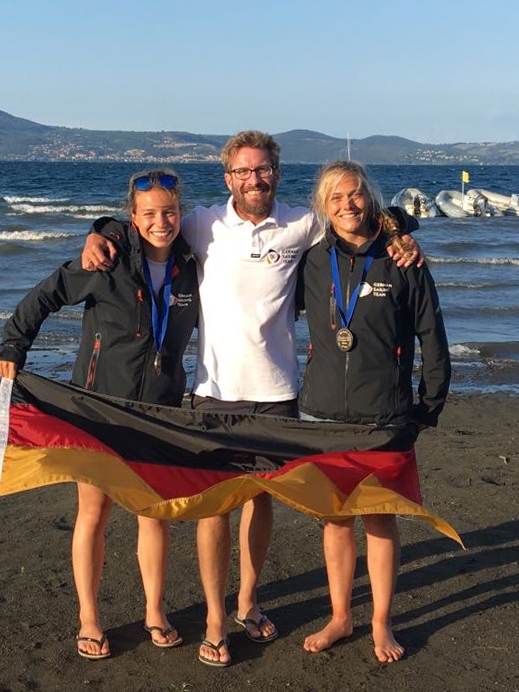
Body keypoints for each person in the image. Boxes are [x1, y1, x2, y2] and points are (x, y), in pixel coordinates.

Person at [81, 131, 421, 667]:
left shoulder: (301, 225)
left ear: (277, 173)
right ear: (228, 178)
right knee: (213, 511)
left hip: (279, 394)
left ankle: (248, 601)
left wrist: (401, 231)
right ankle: (216, 619)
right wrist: (100, 232)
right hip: (214, 391)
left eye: (262, 170)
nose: (253, 179)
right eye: (243, 172)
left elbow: (358, 219)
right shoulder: (202, 223)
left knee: (261, 504)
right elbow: (146, 225)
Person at [0, 169, 199, 660]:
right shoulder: (106, 261)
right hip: (99, 407)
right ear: (134, 218)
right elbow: (46, 294)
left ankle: (154, 610)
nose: (161, 222)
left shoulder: (192, 264)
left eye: (169, 212)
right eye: (149, 214)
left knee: (154, 513)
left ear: (180, 213)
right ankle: (89, 617)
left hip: (160, 410)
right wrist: (13, 344)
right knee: (95, 512)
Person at [295, 160, 451, 663]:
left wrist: (429, 404)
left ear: (371, 199)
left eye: (356, 195)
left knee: (381, 520)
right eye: (336, 198)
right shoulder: (312, 261)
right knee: (335, 520)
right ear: (323, 205)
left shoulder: (402, 261)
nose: (347, 205)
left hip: (385, 414)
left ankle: (381, 622)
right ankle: (341, 617)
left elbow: (432, 335)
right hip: (321, 414)